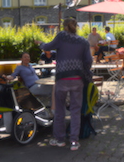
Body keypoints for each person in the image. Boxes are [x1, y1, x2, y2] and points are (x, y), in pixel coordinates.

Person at [36, 18, 92, 151]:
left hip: (62, 79)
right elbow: (88, 61)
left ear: (64, 26)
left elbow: (47, 47)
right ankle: (74, 141)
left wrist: (40, 43)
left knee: (59, 110)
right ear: (76, 26)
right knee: (75, 111)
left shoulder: (61, 36)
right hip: (78, 79)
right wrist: (84, 71)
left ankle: (60, 139)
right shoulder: (84, 41)